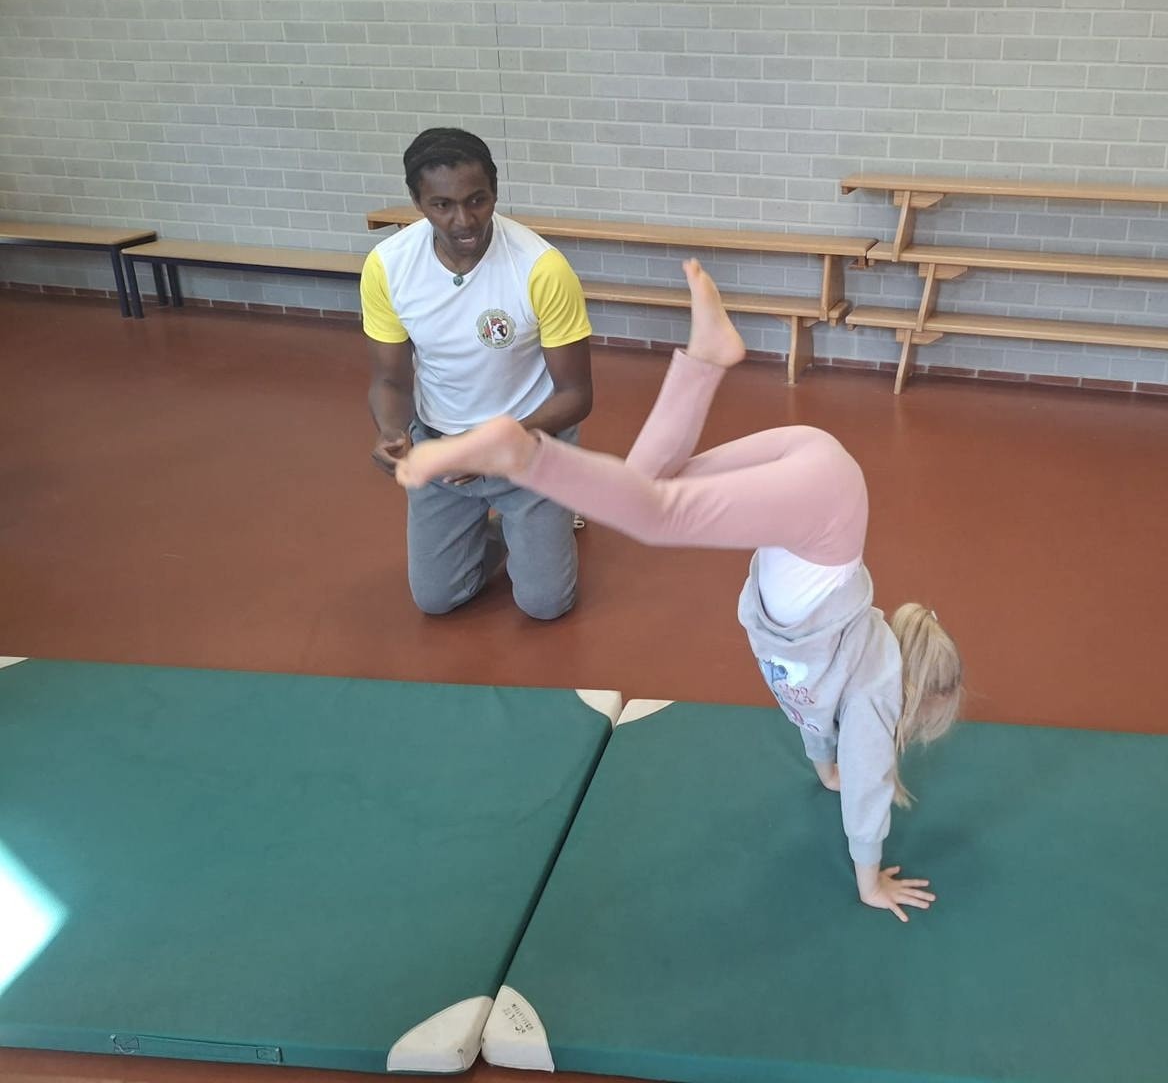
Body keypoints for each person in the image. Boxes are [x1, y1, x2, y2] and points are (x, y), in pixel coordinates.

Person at [396, 259, 964, 921]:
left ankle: (707, 356)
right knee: (655, 516)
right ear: (911, 701)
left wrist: (824, 769)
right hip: (824, 507)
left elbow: (816, 722)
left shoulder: (845, 678)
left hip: (813, 465)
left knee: (644, 482)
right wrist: (870, 880)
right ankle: (520, 454)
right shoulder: (871, 699)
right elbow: (868, 784)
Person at [361, 128, 593, 620]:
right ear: (417, 202)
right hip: (442, 451)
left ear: (495, 191)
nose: (464, 220)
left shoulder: (541, 268)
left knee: (545, 604)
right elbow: (390, 380)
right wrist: (391, 431)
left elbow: (576, 395)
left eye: (477, 200)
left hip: (529, 445)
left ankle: (549, 509)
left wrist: (494, 443)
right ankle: (512, 531)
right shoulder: (387, 266)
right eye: (442, 205)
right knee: (437, 599)